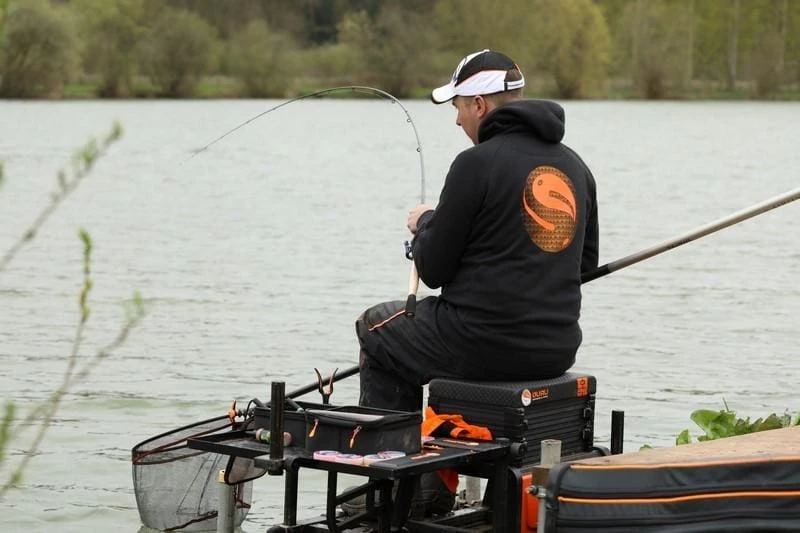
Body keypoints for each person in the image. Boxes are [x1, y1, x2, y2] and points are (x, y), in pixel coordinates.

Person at [345, 49, 599, 517]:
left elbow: (436, 270)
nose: (457, 120)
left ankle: (406, 490)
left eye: (459, 108)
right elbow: (585, 265)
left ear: (479, 105)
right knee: (400, 331)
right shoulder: (575, 167)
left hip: (482, 341)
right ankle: (424, 475)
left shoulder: (474, 164)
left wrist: (426, 224)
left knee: (377, 328)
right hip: (556, 347)